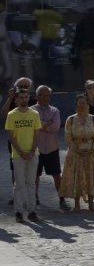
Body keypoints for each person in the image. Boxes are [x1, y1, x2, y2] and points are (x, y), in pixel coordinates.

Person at [60, 93, 94, 211]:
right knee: (76, 178)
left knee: (91, 177)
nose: (82, 105)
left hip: (92, 152)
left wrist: (92, 148)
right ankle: (76, 205)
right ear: (76, 105)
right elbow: (68, 138)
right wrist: (77, 150)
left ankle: (91, 204)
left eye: (84, 103)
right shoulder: (70, 120)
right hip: (75, 153)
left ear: (88, 105)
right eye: (80, 103)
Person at [5, 84, 40, 222]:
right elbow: (11, 137)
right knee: (19, 184)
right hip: (18, 155)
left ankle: (32, 211)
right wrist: (21, 152)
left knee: (31, 183)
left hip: (33, 154)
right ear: (17, 99)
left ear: (29, 98)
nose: (24, 99)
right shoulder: (11, 115)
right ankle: (18, 211)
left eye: (26, 97)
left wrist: (31, 151)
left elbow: (37, 135)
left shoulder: (35, 114)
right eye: (21, 97)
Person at [32, 85, 65, 210]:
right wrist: (48, 123)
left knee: (57, 175)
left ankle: (62, 199)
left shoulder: (55, 111)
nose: (45, 97)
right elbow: (34, 127)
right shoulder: (31, 111)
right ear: (37, 96)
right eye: (42, 95)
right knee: (35, 175)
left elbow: (56, 127)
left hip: (52, 148)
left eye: (47, 95)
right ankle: (34, 198)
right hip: (36, 148)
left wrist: (42, 125)